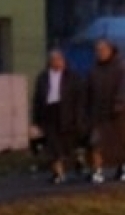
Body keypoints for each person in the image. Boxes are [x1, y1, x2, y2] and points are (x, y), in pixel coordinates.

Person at [31, 49, 85, 186]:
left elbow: (79, 99)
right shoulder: (42, 78)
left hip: (67, 112)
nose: (57, 63)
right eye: (54, 60)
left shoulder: (72, 77)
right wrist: (35, 121)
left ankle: (77, 162)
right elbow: (37, 100)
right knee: (52, 144)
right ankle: (58, 173)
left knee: (67, 144)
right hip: (49, 113)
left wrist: (78, 116)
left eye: (59, 60)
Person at [86, 38, 125, 184]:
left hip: (116, 113)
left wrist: (119, 103)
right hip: (98, 112)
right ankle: (97, 170)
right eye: (97, 51)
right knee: (96, 142)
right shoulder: (94, 69)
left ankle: (121, 167)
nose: (99, 53)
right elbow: (88, 89)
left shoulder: (120, 67)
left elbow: (123, 87)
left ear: (110, 50)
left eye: (102, 50)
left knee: (118, 142)